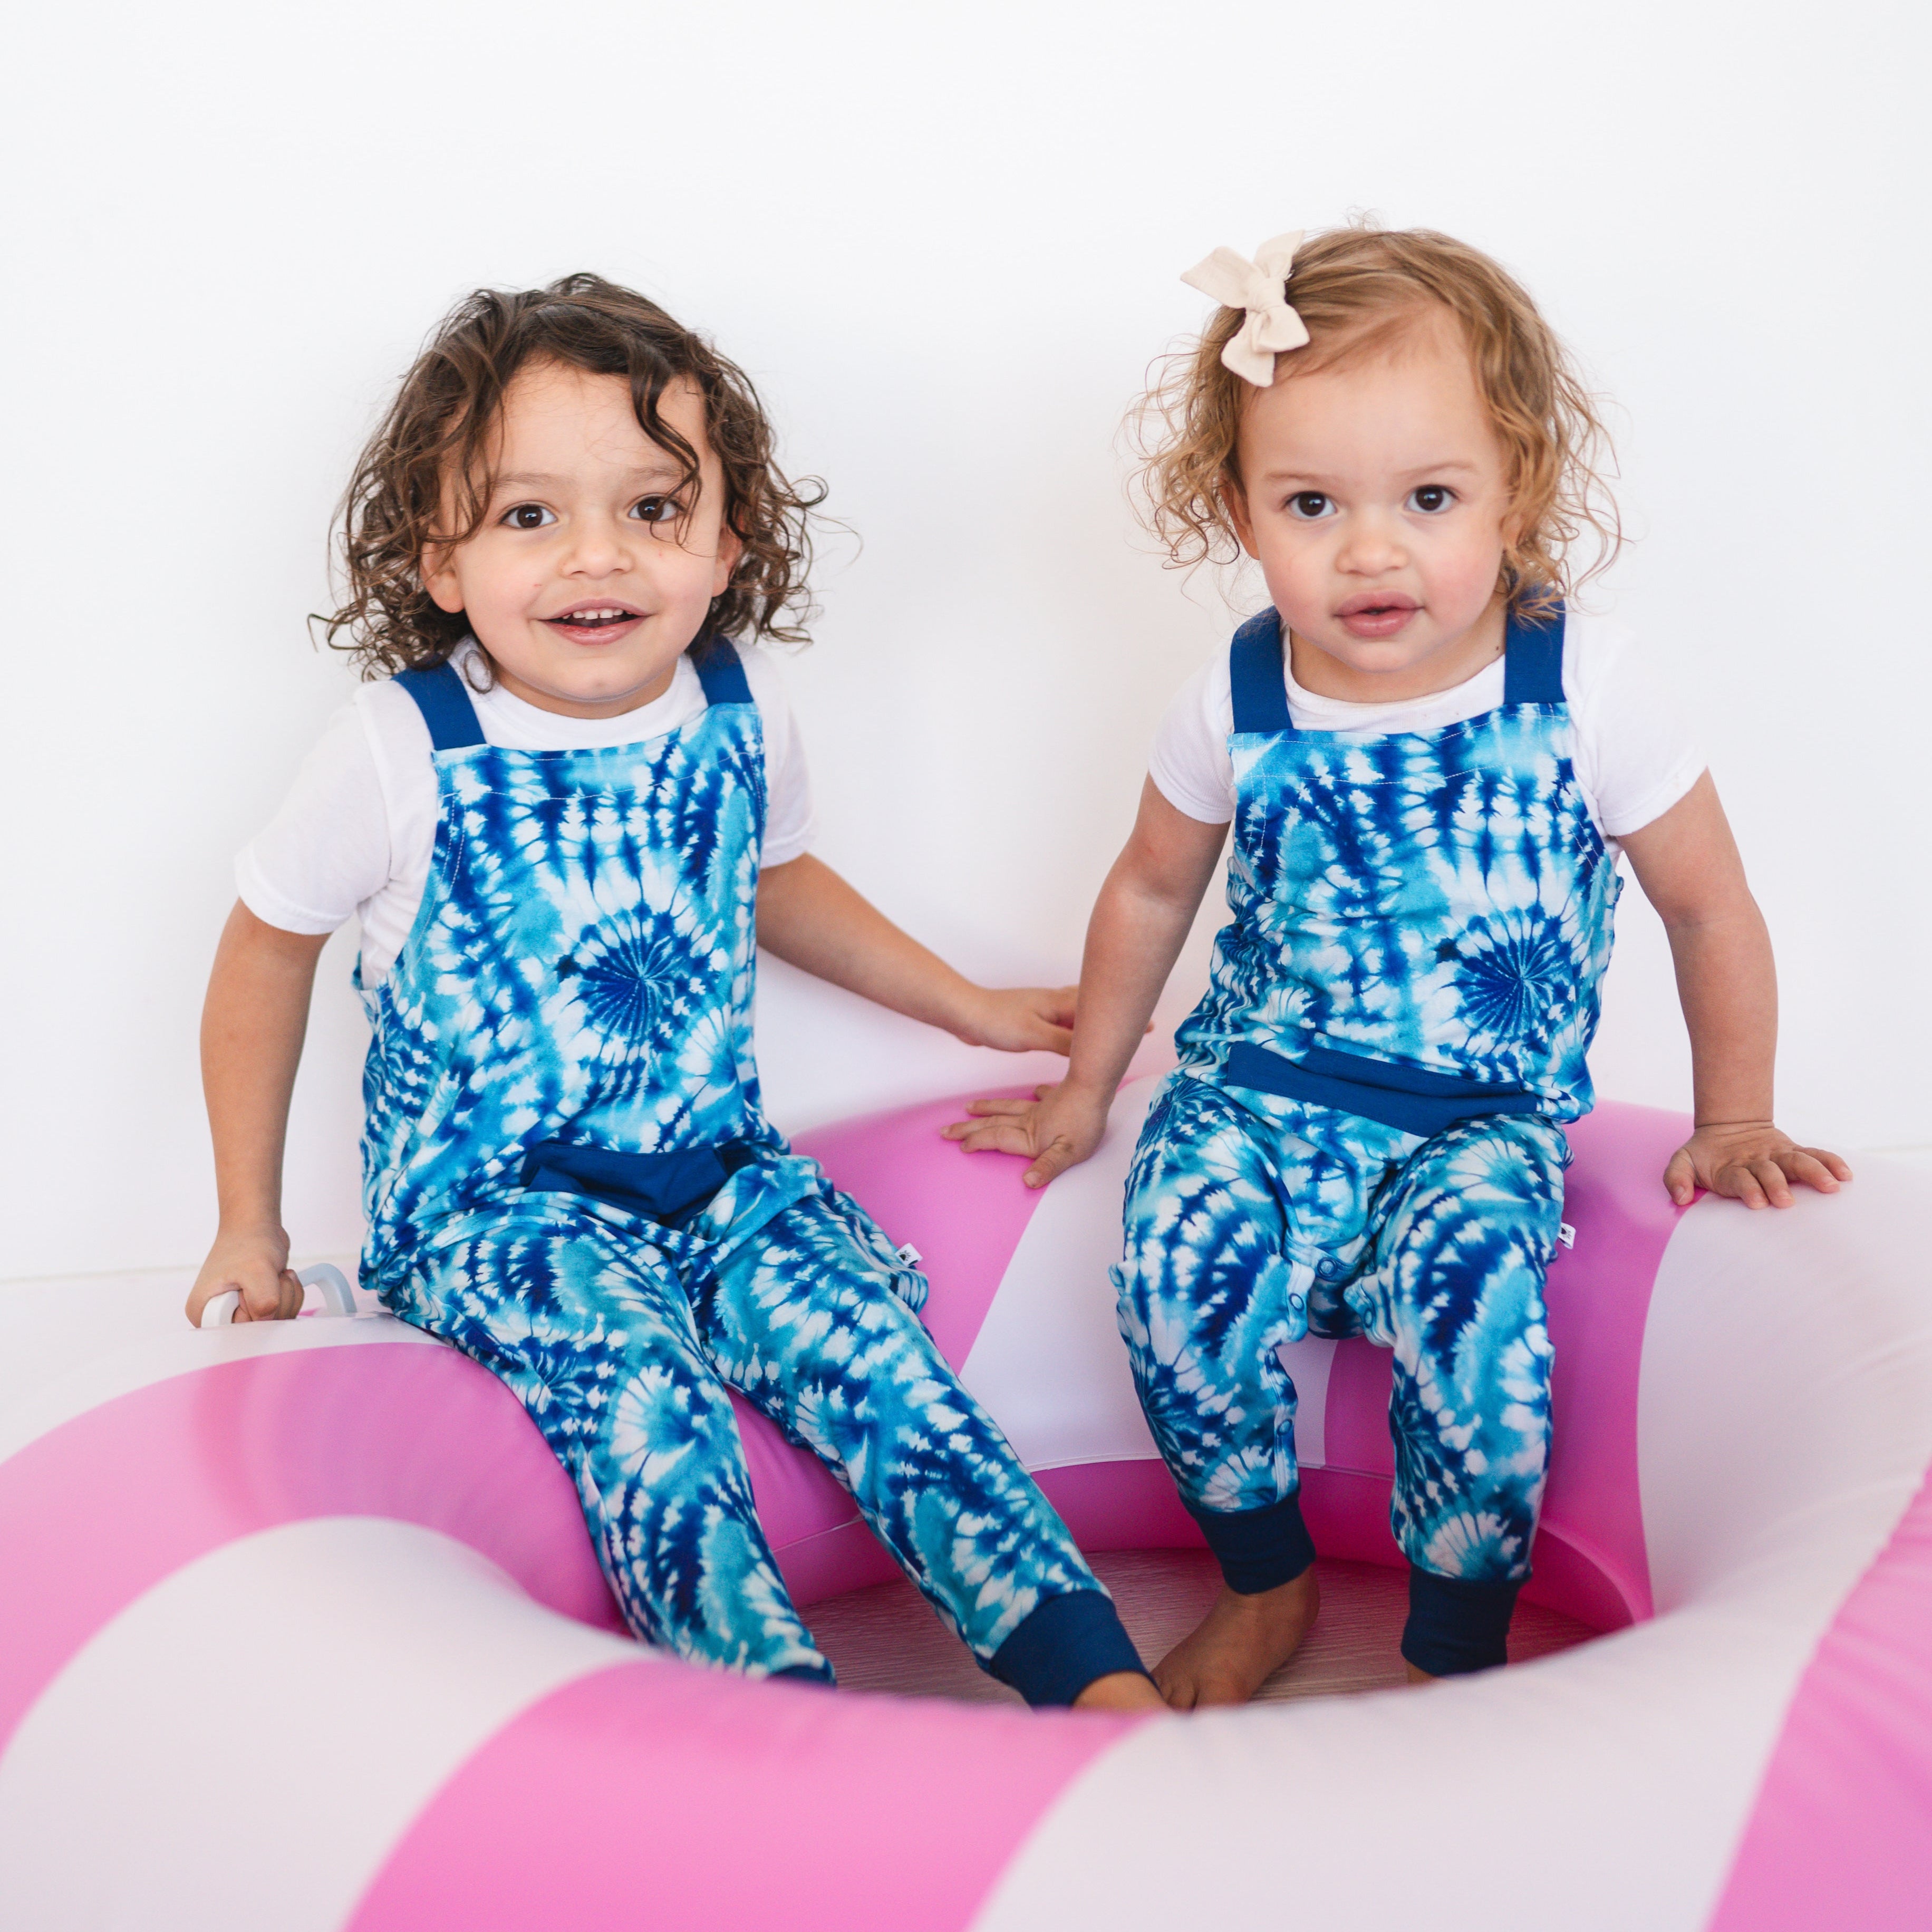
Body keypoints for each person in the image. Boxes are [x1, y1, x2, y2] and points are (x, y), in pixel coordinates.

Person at [188, 273, 1162, 1713]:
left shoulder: (736, 709)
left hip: (718, 1178)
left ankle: (1093, 1684)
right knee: (652, 1415)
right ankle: (771, 1720)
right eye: (530, 515)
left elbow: (770, 882)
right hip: (500, 1212)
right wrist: (249, 1224)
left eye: (653, 508)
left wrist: (967, 1005)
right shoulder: (402, 748)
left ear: (727, 543)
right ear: (441, 560)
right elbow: (266, 947)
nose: (599, 556)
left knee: (893, 1374)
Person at [947, 226, 1849, 1706]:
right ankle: (1265, 1579)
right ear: (1239, 509)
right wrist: (1087, 1088)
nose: (1370, 551)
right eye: (1312, 504)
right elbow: (1153, 887)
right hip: (1258, 1094)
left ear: (1517, 488)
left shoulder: (1584, 684)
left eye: (1429, 499)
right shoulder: (1237, 694)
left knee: (1482, 1340)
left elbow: (1708, 908)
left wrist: (1734, 1115)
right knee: (1172, 1277)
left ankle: (1454, 1648)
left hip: (1477, 1121)